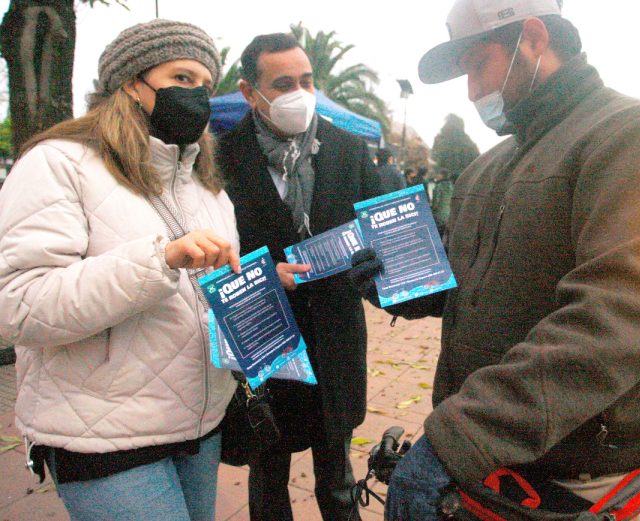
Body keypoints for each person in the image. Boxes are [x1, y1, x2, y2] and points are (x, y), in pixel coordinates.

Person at [349, 1, 640, 519]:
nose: (472, 90)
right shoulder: (485, 168)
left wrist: (460, 436)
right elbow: (474, 281)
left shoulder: (639, 136)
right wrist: (403, 286)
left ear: (535, 39)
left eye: (480, 65)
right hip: (491, 468)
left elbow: (617, 319)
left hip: (593, 483)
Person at [0, 19, 239, 521]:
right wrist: (160, 260)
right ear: (131, 82)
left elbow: (208, 297)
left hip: (200, 426)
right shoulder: (58, 163)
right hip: (102, 438)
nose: (196, 95)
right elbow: (17, 305)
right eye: (182, 78)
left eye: (205, 84)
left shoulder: (207, 186)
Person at [215, 32, 381, 521]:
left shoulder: (347, 149)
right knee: (269, 480)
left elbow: (378, 232)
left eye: (306, 81)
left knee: (338, 482)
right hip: (266, 345)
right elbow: (208, 253)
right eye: (283, 84)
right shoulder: (221, 158)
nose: (299, 94)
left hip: (335, 341)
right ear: (250, 93)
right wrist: (263, 275)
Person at [430, 167, 454, 234]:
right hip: (449, 215)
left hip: (440, 215)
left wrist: (432, 210)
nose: (436, 176)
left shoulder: (438, 186)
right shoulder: (452, 186)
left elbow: (436, 202)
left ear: (442, 175)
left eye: (438, 174)